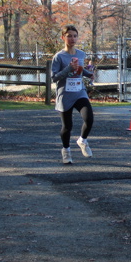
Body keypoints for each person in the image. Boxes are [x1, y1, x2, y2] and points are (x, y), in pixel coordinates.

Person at [51, 25, 95, 164]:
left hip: (79, 92)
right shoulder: (59, 57)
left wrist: (89, 74)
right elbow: (54, 77)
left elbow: (80, 70)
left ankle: (82, 141)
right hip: (65, 95)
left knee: (89, 118)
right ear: (63, 37)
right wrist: (68, 68)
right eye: (69, 36)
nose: (72, 39)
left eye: (75, 36)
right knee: (67, 127)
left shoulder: (81, 54)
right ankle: (66, 151)